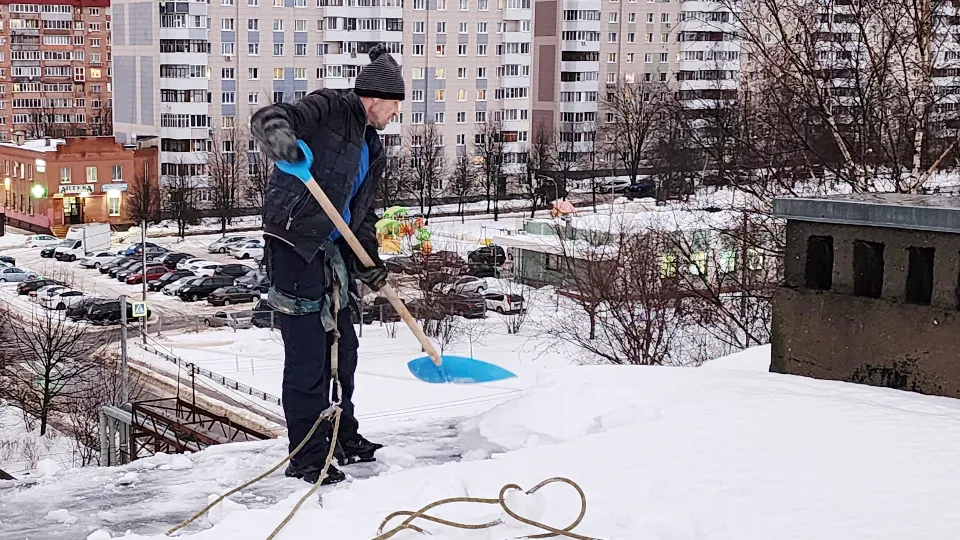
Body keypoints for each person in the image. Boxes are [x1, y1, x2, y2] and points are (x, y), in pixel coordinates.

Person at [249, 45, 403, 485]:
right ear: (378, 97)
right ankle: (307, 457)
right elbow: (273, 118)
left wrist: (369, 261)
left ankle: (342, 436)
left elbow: (361, 215)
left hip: (332, 253)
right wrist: (278, 136)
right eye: (395, 106)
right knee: (308, 357)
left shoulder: (371, 145)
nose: (395, 115)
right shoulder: (331, 106)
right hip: (295, 245)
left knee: (344, 352)